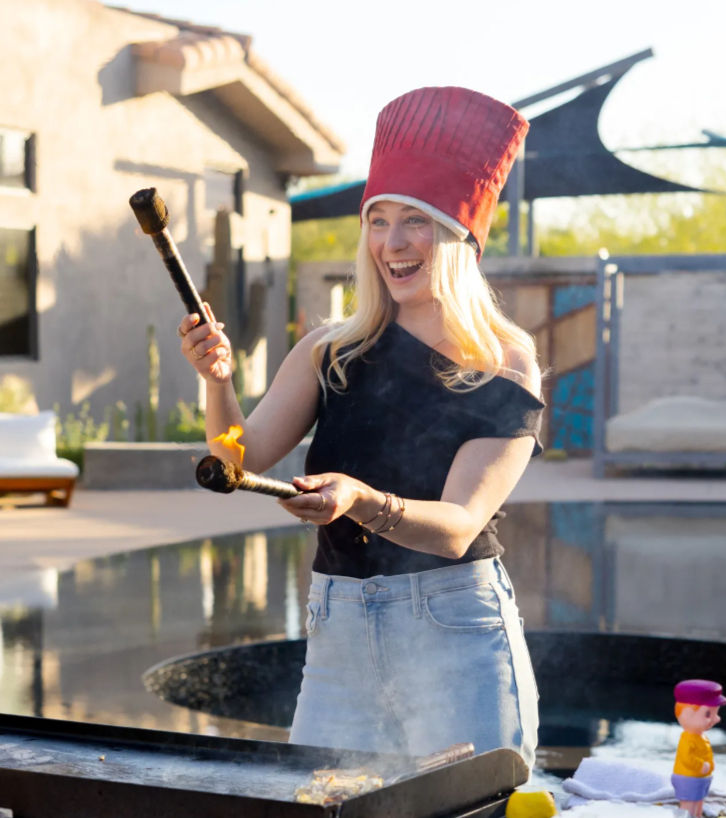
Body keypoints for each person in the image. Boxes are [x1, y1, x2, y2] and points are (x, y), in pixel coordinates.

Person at [178, 86, 543, 768]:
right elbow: (239, 455)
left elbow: (461, 523)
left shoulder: (504, 361)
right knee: (321, 803)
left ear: (460, 234)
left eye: (417, 221)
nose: (393, 243)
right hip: (337, 623)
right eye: (378, 221)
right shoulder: (331, 350)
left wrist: (360, 500)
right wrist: (216, 379)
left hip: (454, 623)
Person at [671, 679, 726, 818]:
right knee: (688, 804)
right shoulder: (687, 739)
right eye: (708, 714)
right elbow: (686, 758)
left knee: (699, 802)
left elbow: (706, 754)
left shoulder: (701, 737)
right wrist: (701, 765)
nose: (716, 719)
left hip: (700, 778)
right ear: (688, 714)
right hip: (688, 778)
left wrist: (709, 767)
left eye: (716, 714)